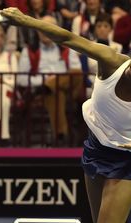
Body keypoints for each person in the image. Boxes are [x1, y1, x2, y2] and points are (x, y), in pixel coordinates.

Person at [0, 7, 131, 223]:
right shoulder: (111, 60)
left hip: (129, 161)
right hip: (96, 150)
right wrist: (25, 20)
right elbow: (69, 37)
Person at [18, 15, 83, 144]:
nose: (45, 32)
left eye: (48, 28)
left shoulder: (67, 49)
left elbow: (77, 73)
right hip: (40, 93)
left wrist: (51, 82)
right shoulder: (29, 50)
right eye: (42, 28)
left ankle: (49, 86)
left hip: (69, 91)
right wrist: (44, 81)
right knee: (55, 93)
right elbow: (21, 79)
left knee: (76, 74)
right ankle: (61, 135)